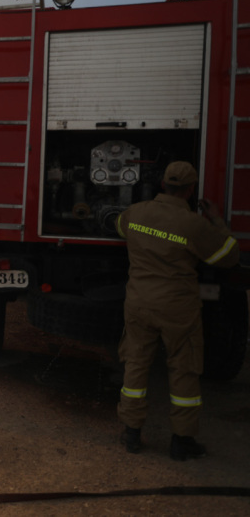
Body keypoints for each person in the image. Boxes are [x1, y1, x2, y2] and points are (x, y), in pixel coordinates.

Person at [116, 161, 239, 460]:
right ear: (190, 190)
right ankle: (182, 442)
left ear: (162, 185)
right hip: (177, 309)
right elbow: (229, 256)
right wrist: (217, 221)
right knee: (184, 370)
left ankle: (131, 432)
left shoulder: (137, 212)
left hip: (139, 303)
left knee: (135, 363)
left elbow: (120, 227)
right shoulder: (194, 225)